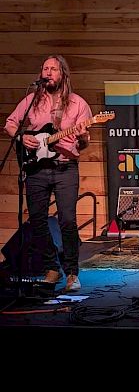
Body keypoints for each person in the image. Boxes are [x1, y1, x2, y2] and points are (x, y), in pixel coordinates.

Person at [4, 55, 92, 292]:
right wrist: (22, 136)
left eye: (53, 69)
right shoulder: (32, 100)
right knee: (38, 221)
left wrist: (82, 136)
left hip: (65, 168)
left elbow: (83, 145)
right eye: (45, 68)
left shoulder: (78, 104)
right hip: (36, 168)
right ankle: (51, 268)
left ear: (63, 73)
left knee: (67, 220)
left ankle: (72, 273)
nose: (48, 72)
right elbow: (10, 123)